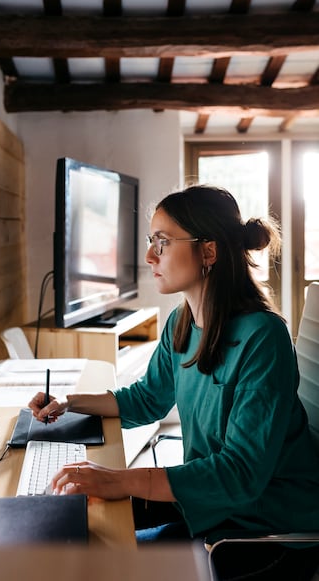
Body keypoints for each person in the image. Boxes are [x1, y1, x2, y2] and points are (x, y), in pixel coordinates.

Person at [29, 184, 319, 580]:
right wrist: (68, 403)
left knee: (94, 562)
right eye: (152, 241)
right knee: (71, 521)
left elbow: (240, 475)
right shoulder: (181, 324)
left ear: (208, 252)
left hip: (260, 532)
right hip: (211, 505)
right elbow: (147, 399)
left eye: (162, 242)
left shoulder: (263, 339)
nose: (149, 255)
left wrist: (121, 479)